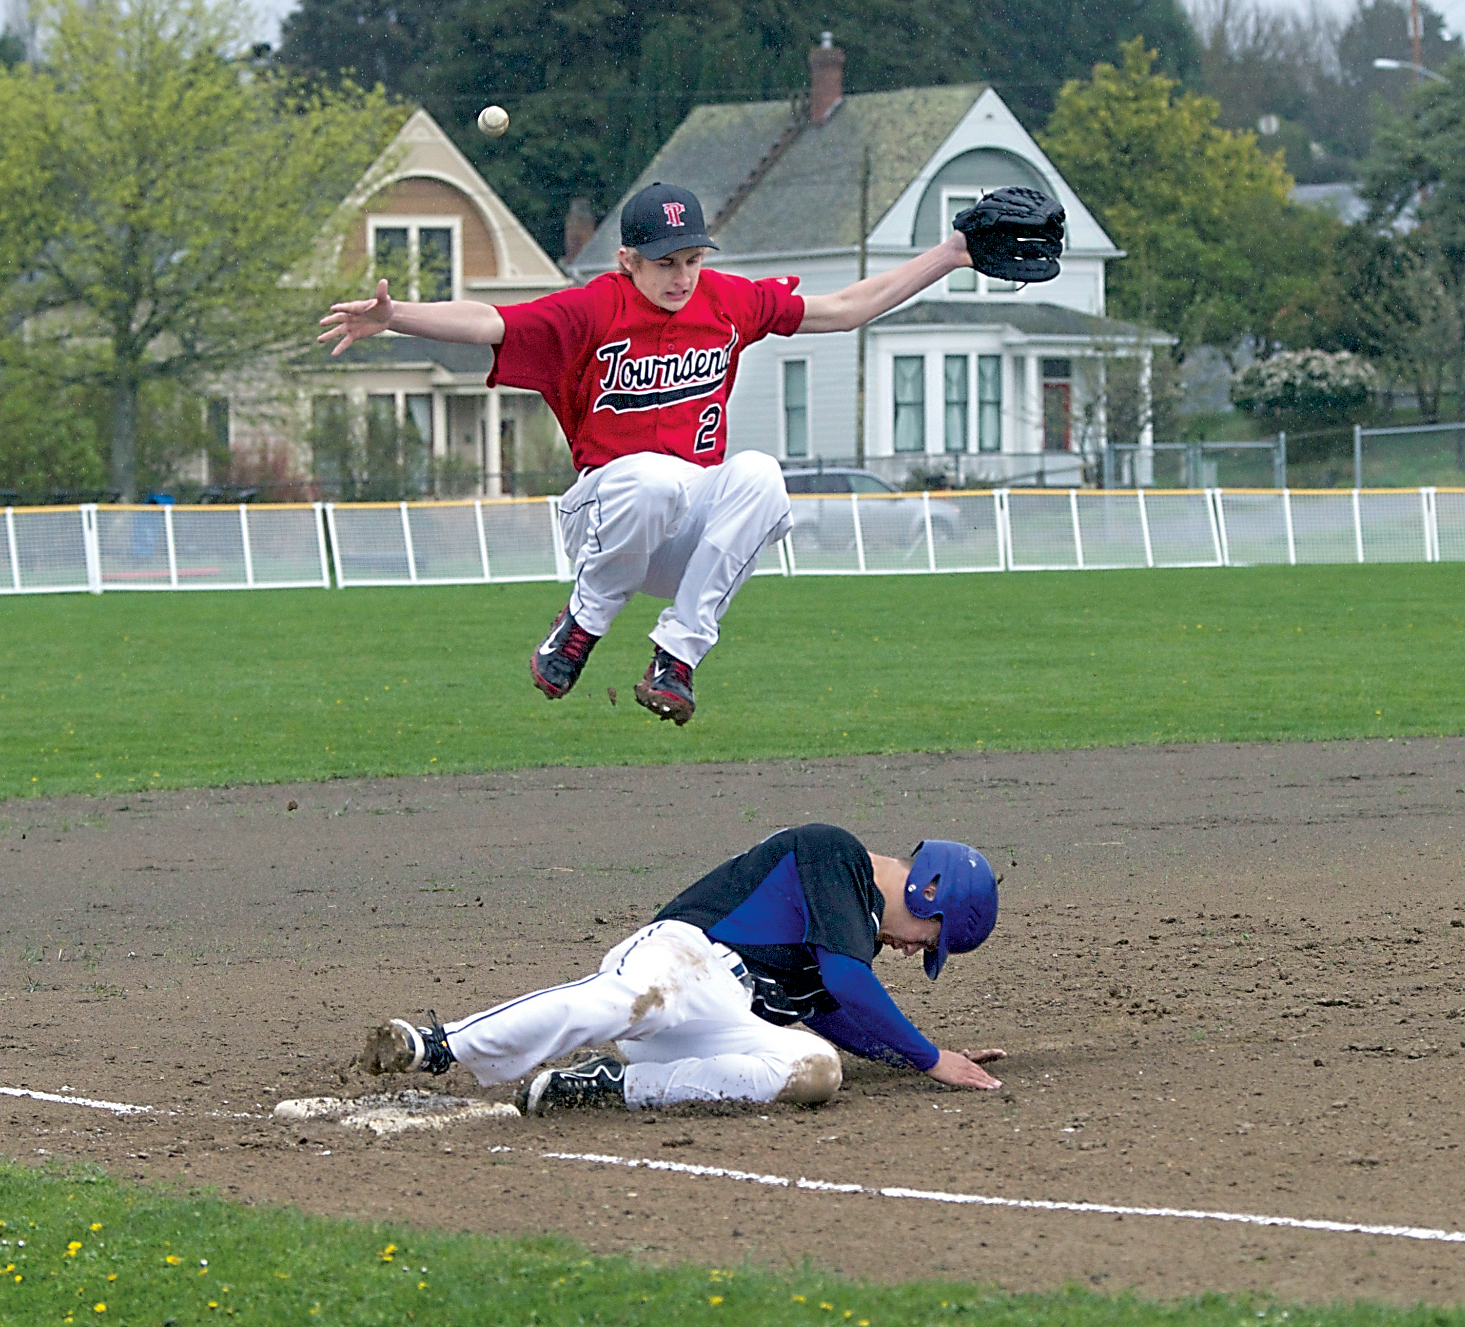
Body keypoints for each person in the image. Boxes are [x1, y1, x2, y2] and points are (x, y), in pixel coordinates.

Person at [319, 184, 981, 725]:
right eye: (665, 261)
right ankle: (580, 624)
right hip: (601, 517)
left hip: (679, 529)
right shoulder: (592, 310)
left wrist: (949, 254)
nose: (682, 275)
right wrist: (396, 315)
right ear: (627, 260)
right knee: (659, 479)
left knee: (759, 476)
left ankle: (676, 658)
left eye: (691, 258)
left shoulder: (726, 301)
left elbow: (841, 308)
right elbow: (491, 322)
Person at [362, 824, 1004, 1113]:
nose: (916, 951)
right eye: (932, 939)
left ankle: (610, 1087)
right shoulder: (838, 856)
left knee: (815, 1069)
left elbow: (836, 1016)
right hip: (686, 959)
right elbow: (846, 983)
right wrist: (929, 1058)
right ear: (928, 893)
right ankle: (440, 1045)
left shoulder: (852, 929)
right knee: (620, 1003)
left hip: (724, 1020)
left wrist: (916, 1053)